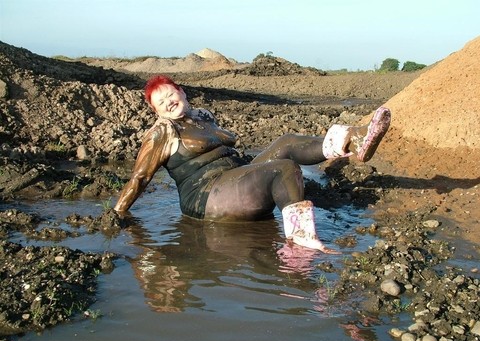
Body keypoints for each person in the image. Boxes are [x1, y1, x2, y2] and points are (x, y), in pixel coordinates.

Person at [114, 75, 391, 254]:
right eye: (160, 102)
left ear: (182, 92)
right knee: (282, 169)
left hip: (233, 178)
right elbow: (139, 178)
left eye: (170, 95)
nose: (169, 103)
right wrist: (117, 213)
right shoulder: (161, 132)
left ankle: (353, 140)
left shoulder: (202, 116)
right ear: (156, 110)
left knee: (287, 142)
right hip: (206, 197)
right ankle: (300, 242)